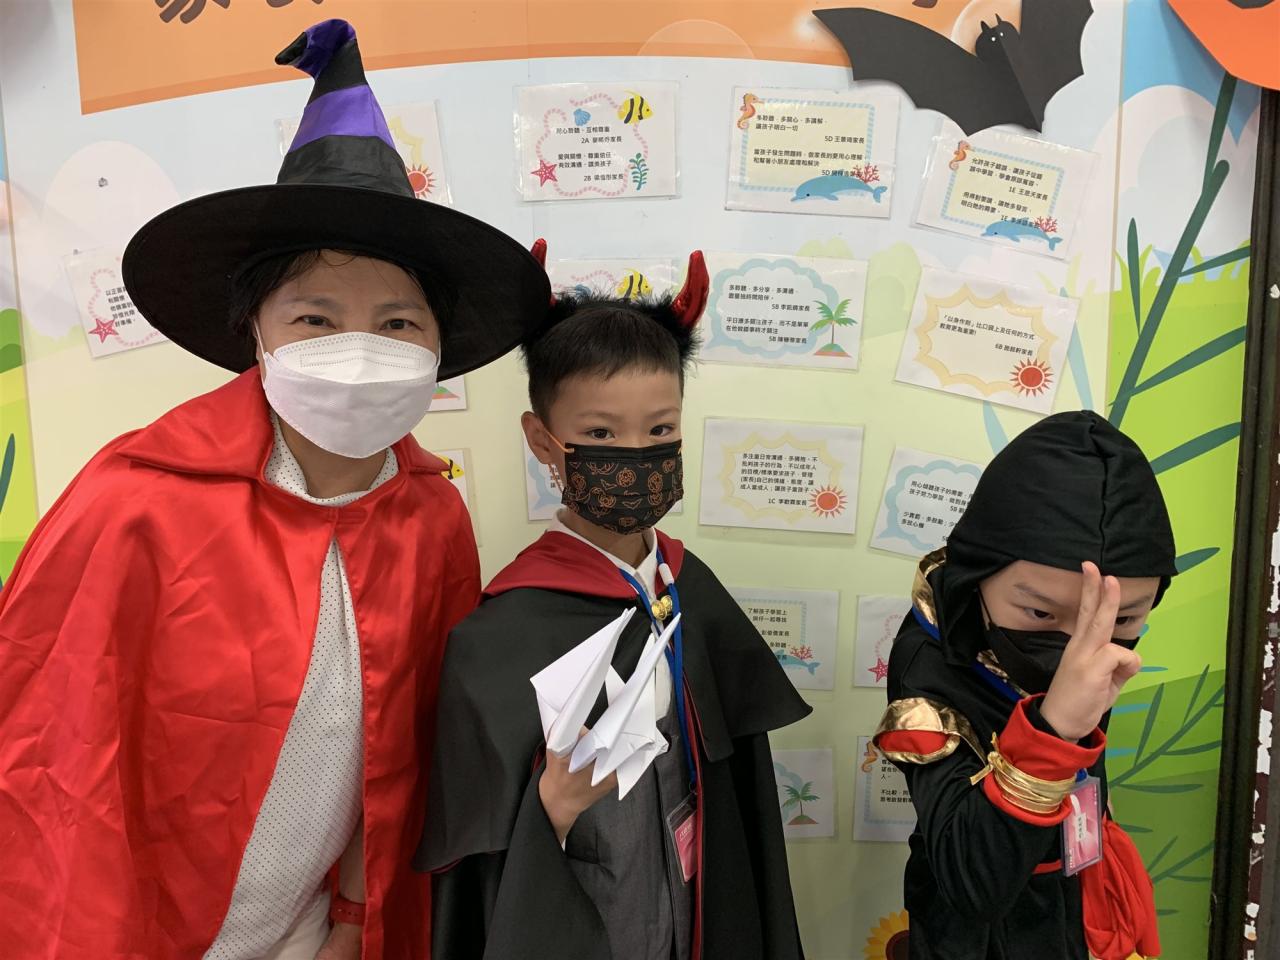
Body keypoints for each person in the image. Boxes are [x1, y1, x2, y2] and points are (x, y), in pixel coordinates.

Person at [0, 19, 547, 960]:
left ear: (437, 347)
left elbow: (415, 748)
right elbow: (55, 772)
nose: (359, 349)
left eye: (398, 323)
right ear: (254, 332)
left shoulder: (431, 517)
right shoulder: (134, 504)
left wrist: (354, 918)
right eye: (315, 319)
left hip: (314, 929)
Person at [416, 242, 812, 960]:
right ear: (543, 441)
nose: (635, 454)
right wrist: (550, 812)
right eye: (600, 434)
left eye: (660, 430)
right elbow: (475, 853)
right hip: (586, 908)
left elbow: (737, 784)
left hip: (693, 896)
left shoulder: (689, 586)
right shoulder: (506, 628)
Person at [873, 411, 1175, 960]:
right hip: (974, 930)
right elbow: (972, 885)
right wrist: (1052, 732)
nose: (1080, 647)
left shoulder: (1098, 642)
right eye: (1040, 613)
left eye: (1124, 618)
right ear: (978, 576)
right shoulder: (930, 667)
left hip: (1070, 886)